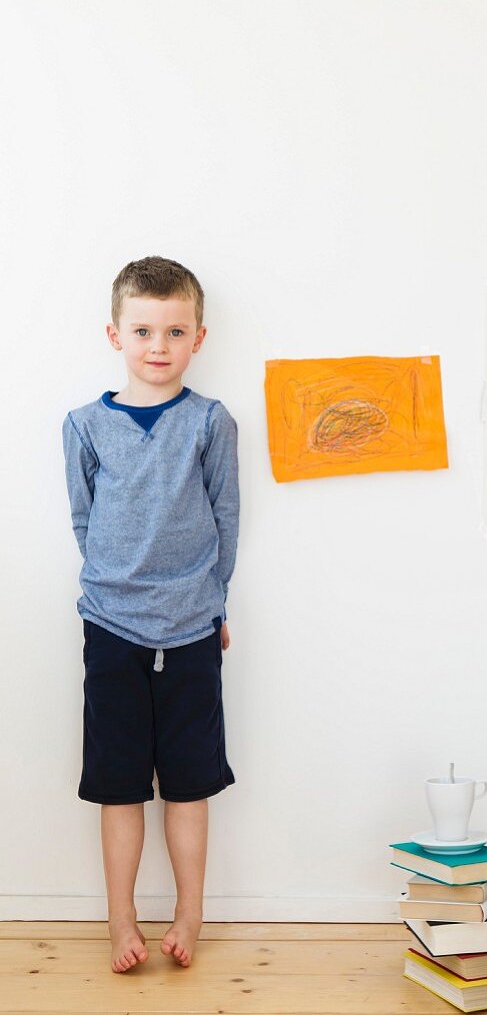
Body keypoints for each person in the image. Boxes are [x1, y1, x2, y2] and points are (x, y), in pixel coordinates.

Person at [61, 255, 240, 972]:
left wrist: (213, 603)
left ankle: (189, 917)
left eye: (174, 330)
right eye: (143, 330)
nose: (158, 345)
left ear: (198, 337)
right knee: (120, 785)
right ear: (115, 334)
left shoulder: (209, 422)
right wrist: (116, 591)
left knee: (190, 785)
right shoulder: (82, 426)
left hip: (195, 631)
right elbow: (85, 522)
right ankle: (121, 922)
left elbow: (226, 518)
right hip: (110, 630)